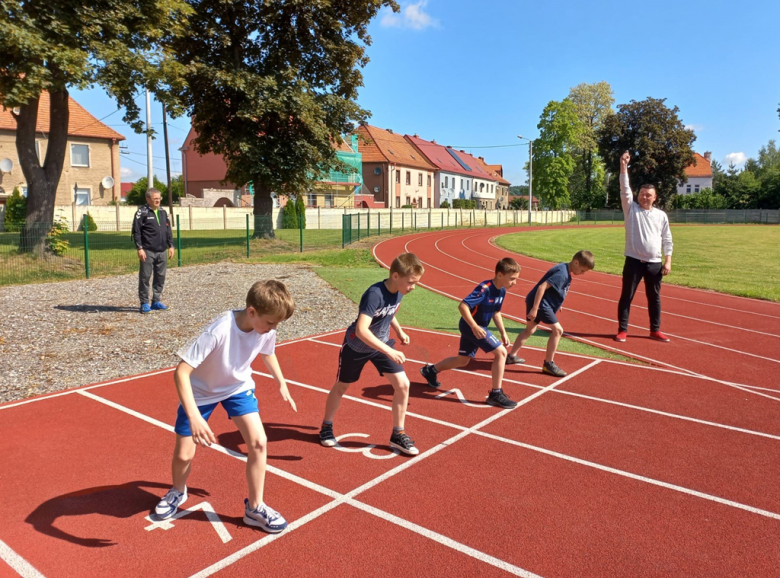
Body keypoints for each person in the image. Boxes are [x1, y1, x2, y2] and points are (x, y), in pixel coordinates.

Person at [152, 280, 297, 533]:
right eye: (271, 323)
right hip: (200, 392)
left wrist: (281, 382)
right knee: (184, 454)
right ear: (252, 312)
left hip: (237, 387)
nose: (274, 328)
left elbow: (268, 352)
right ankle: (177, 491)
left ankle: (255, 508)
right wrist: (195, 417)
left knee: (259, 442)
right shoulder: (219, 330)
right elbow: (181, 372)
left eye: (277, 324)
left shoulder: (265, 328)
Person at [319, 253, 424, 456]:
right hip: (357, 346)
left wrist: (399, 331)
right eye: (411, 282)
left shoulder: (400, 291)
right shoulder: (374, 294)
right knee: (342, 386)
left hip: (381, 344)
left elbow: (388, 312)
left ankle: (398, 432)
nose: (413, 287)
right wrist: (389, 350)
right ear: (395, 276)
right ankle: (326, 426)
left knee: (403, 385)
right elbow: (362, 330)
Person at [420, 258, 521, 409]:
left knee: (462, 360)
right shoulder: (484, 288)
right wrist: (474, 326)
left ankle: (430, 370)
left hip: (477, 327)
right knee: (501, 353)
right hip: (471, 326)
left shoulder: (501, 291)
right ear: (500, 275)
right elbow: (463, 306)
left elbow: (496, 312)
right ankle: (496, 393)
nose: (515, 282)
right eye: (512, 278)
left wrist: (503, 332)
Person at [615, 150, 674, 343]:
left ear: (655, 197)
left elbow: (667, 239)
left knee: (654, 298)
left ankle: (654, 330)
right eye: (641, 194)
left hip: (654, 263)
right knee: (627, 296)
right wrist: (623, 166)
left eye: (648, 195)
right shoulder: (631, 209)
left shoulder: (661, 215)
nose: (644, 197)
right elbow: (625, 188)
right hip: (633, 261)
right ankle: (622, 330)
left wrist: (668, 261)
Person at [506, 251, 594, 378]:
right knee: (558, 331)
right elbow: (542, 287)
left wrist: (558, 304)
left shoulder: (565, 269)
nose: (582, 273)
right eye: (582, 270)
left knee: (530, 330)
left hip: (538, 302)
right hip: (540, 304)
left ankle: (511, 356)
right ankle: (548, 364)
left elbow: (556, 290)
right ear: (576, 262)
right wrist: (535, 308)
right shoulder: (562, 274)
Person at [132, 188, 174, 314]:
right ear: (148, 199)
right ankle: (144, 303)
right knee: (145, 277)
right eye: (155, 198)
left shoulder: (163, 212)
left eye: (159, 198)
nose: (158, 201)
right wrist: (140, 248)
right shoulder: (142, 212)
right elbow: (136, 232)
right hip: (147, 251)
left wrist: (171, 245)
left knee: (160, 276)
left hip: (161, 251)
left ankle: (156, 301)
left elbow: (168, 231)